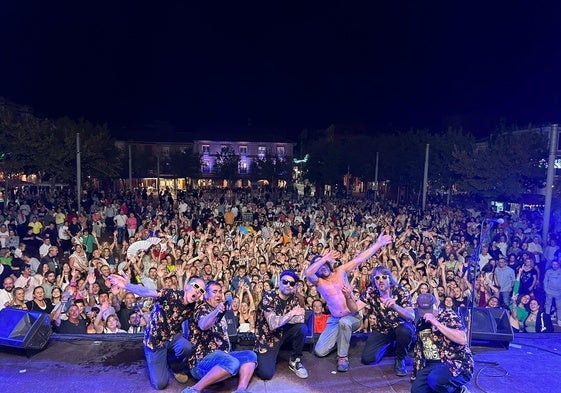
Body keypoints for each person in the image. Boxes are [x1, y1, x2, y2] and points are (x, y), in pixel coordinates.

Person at [305, 233, 392, 372]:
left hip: (352, 316)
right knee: (320, 351)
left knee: (344, 323)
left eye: (324, 263)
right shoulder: (318, 282)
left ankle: (342, 357)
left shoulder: (340, 271)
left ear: (328, 264)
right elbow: (308, 273)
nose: (323, 267)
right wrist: (323, 258)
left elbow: (359, 259)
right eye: (319, 265)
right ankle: (342, 339)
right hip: (334, 320)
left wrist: (378, 244)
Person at [108, 272, 206, 390]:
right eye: (196, 286)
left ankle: (174, 366)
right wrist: (128, 285)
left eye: (201, 290)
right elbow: (147, 292)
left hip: (173, 337)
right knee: (160, 384)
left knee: (187, 347)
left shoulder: (194, 306)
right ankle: (157, 357)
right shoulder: (170, 294)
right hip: (155, 340)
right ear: (187, 287)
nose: (197, 291)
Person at [182, 280, 257, 393]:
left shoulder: (221, 309)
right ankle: (194, 389)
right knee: (232, 363)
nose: (218, 294)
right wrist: (216, 311)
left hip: (222, 356)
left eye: (220, 292)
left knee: (250, 356)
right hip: (202, 361)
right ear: (206, 295)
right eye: (214, 292)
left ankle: (241, 390)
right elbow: (203, 325)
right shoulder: (202, 308)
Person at [411, 293, 474, 393]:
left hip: (454, 362)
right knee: (417, 390)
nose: (427, 314)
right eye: (423, 311)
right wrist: (416, 373)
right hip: (431, 364)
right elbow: (419, 350)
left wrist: (436, 323)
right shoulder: (420, 322)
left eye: (430, 310)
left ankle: (459, 391)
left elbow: (462, 339)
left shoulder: (449, 316)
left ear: (437, 304)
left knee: (436, 380)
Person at [359, 266, 415, 376]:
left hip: (400, 326)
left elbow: (411, 316)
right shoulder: (371, 292)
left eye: (384, 277)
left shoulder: (400, 290)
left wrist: (395, 306)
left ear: (389, 278)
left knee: (404, 332)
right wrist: (348, 297)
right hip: (382, 329)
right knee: (367, 359)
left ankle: (400, 359)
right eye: (377, 277)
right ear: (374, 281)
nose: (381, 280)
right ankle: (392, 345)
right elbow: (354, 308)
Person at [253, 269, 308, 380]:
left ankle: (295, 360)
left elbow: (300, 319)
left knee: (302, 328)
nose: (288, 285)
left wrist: (281, 319)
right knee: (266, 374)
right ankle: (259, 356)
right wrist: (292, 313)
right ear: (279, 282)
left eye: (291, 283)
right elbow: (273, 324)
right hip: (267, 338)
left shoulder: (295, 298)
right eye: (285, 282)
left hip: (283, 333)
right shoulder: (269, 297)